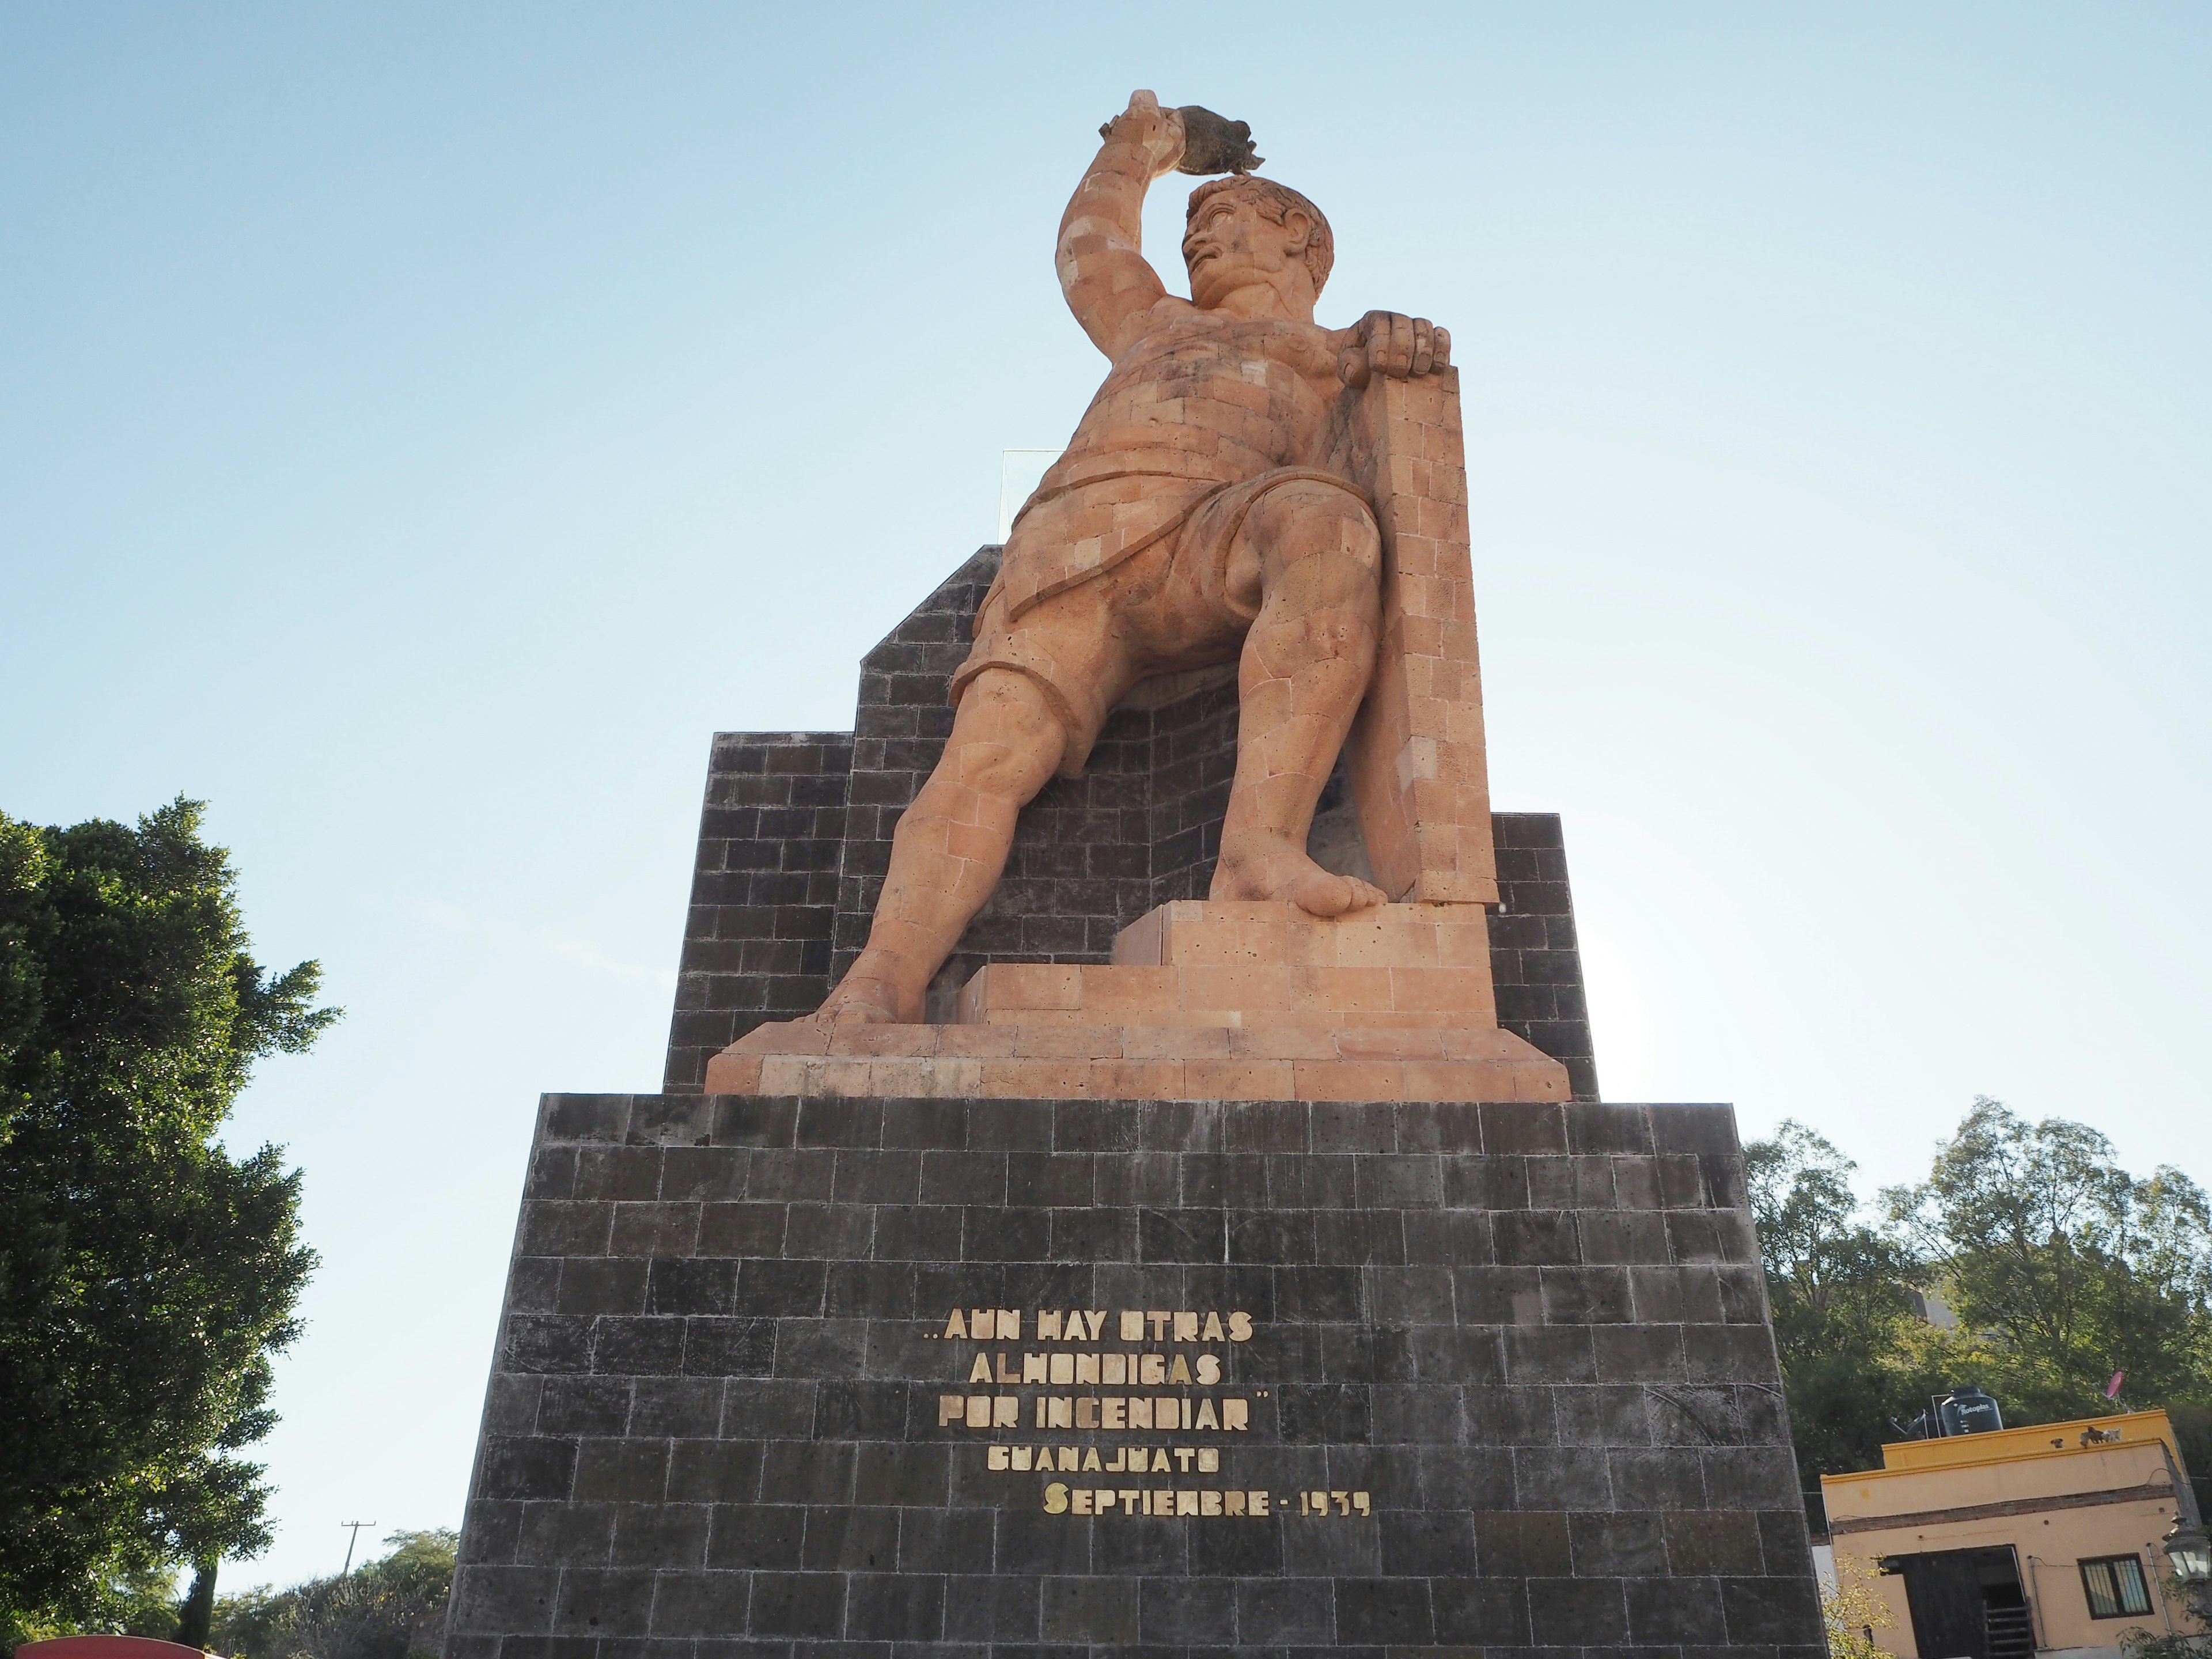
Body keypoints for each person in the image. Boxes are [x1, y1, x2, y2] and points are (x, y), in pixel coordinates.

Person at [819, 89, 1452, 1025]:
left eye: (1225, 216)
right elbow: (1091, 246)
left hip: (1214, 537)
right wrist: (1143, 146)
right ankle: (876, 987)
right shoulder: (1155, 322)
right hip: (1074, 548)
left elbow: (1391, 396)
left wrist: (1398, 341)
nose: (1198, 237)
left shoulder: (1332, 354)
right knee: (987, 758)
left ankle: (1259, 851)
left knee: (1327, 526)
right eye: (1195, 221)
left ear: (1298, 243)